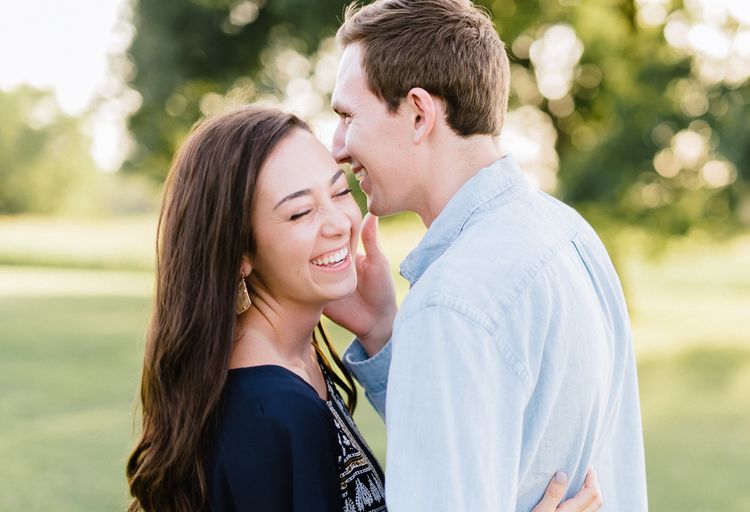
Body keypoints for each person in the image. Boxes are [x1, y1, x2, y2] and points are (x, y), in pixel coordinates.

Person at [124, 106, 602, 511]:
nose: (337, 222)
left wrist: (378, 327)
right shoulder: (271, 413)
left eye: (337, 192)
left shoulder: (297, 368)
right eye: (299, 212)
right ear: (240, 253)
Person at [323, 0, 649, 510]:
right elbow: (492, 445)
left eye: (347, 116)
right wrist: (386, 333)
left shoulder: (451, 305)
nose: (337, 146)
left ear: (417, 113)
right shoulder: (570, 234)